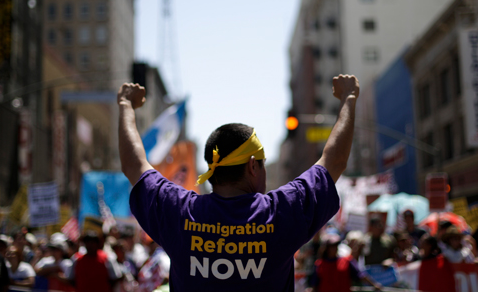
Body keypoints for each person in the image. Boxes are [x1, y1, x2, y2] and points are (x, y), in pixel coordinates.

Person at [118, 74, 360, 291]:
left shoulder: (179, 211)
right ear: (253, 166)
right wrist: (348, 98)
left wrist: (125, 105)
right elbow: (334, 161)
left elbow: (134, 165)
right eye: (263, 163)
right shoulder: (283, 212)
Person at [311, 233, 381, 292]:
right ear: (327, 248)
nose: (334, 248)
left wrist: (374, 284)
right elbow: (315, 284)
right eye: (332, 246)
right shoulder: (320, 264)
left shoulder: (347, 261)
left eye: (336, 246)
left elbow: (360, 275)